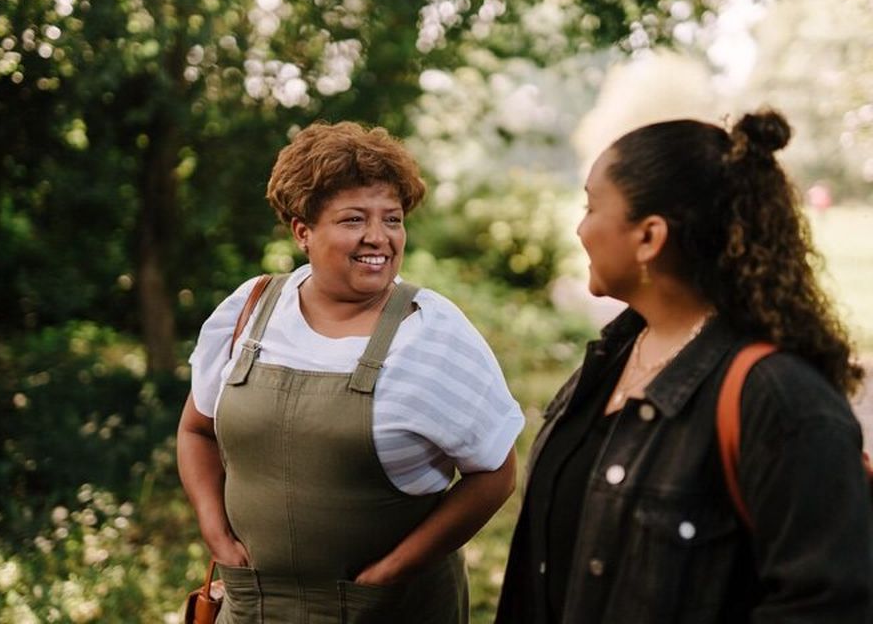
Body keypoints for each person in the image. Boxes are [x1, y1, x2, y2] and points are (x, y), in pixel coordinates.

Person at [495, 109, 873, 623]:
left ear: (649, 237)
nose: (580, 228)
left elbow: (828, 605)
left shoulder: (780, 400)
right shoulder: (611, 358)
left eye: (590, 207)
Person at [177, 121, 524, 623]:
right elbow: (195, 428)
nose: (378, 237)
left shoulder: (431, 333)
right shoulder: (251, 310)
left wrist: (390, 572)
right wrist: (216, 533)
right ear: (303, 231)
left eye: (393, 219)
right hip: (253, 609)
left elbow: (496, 472)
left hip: (387, 611)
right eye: (353, 219)